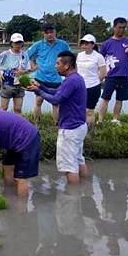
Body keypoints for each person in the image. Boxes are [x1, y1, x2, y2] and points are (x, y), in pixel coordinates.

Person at [28, 51, 88, 184]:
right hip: (79, 126)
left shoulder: (71, 81)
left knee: (70, 167)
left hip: (70, 129)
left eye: (58, 63)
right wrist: (41, 86)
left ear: (66, 66)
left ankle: (72, 198)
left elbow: (56, 100)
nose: (55, 66)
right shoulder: (76, 78)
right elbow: (57, 92)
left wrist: (38, 92)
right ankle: (85, 192)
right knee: (78, 159)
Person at [26, 24, 70, 124]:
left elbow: (69, 58)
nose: (50, 34)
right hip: (40, 77)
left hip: (57, 78)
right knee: (39, 100)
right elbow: (25, 56)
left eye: (51, 32)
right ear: (43, 34)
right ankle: (36, 123)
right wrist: (33, 64)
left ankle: (56, 124)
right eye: (47, 32)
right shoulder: (38, 44)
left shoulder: (63, 44)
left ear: (55, 32)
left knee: (56, 103)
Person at [99, 18, 128, 124]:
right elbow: (100, 59)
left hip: (124, 75)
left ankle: (115, 119)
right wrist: (101, 74)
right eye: (119, 27)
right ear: (114, 27)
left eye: (123, 28)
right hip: (111, 75)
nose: (121, 30)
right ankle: (100, 120)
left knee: (119, 99)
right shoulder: (106, 44)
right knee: (105, 98)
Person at [0, 33, 30, 114]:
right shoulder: (6, 54)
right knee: (3, 109)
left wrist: (22, 72)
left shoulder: (24, 55)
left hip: (19, 85)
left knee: (18, 109)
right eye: (16, 43)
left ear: (22, 43)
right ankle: (0, 125)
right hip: (7, 84)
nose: (17, 45)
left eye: (19, 42)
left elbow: (28, 69)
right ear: (11, 43)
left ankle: (17, 126)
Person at [76, 34, 106, 125]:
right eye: (83, 43)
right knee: (80, 109)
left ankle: (90, 129)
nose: (84, 45)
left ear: (93, 45)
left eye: (87, 43)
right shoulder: (79, 55)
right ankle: (80, 128)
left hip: (93, 87)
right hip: (80, 87)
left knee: (89, 110)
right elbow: (77, 70)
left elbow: (103, 73)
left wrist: (96, 82)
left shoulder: (98, 56)